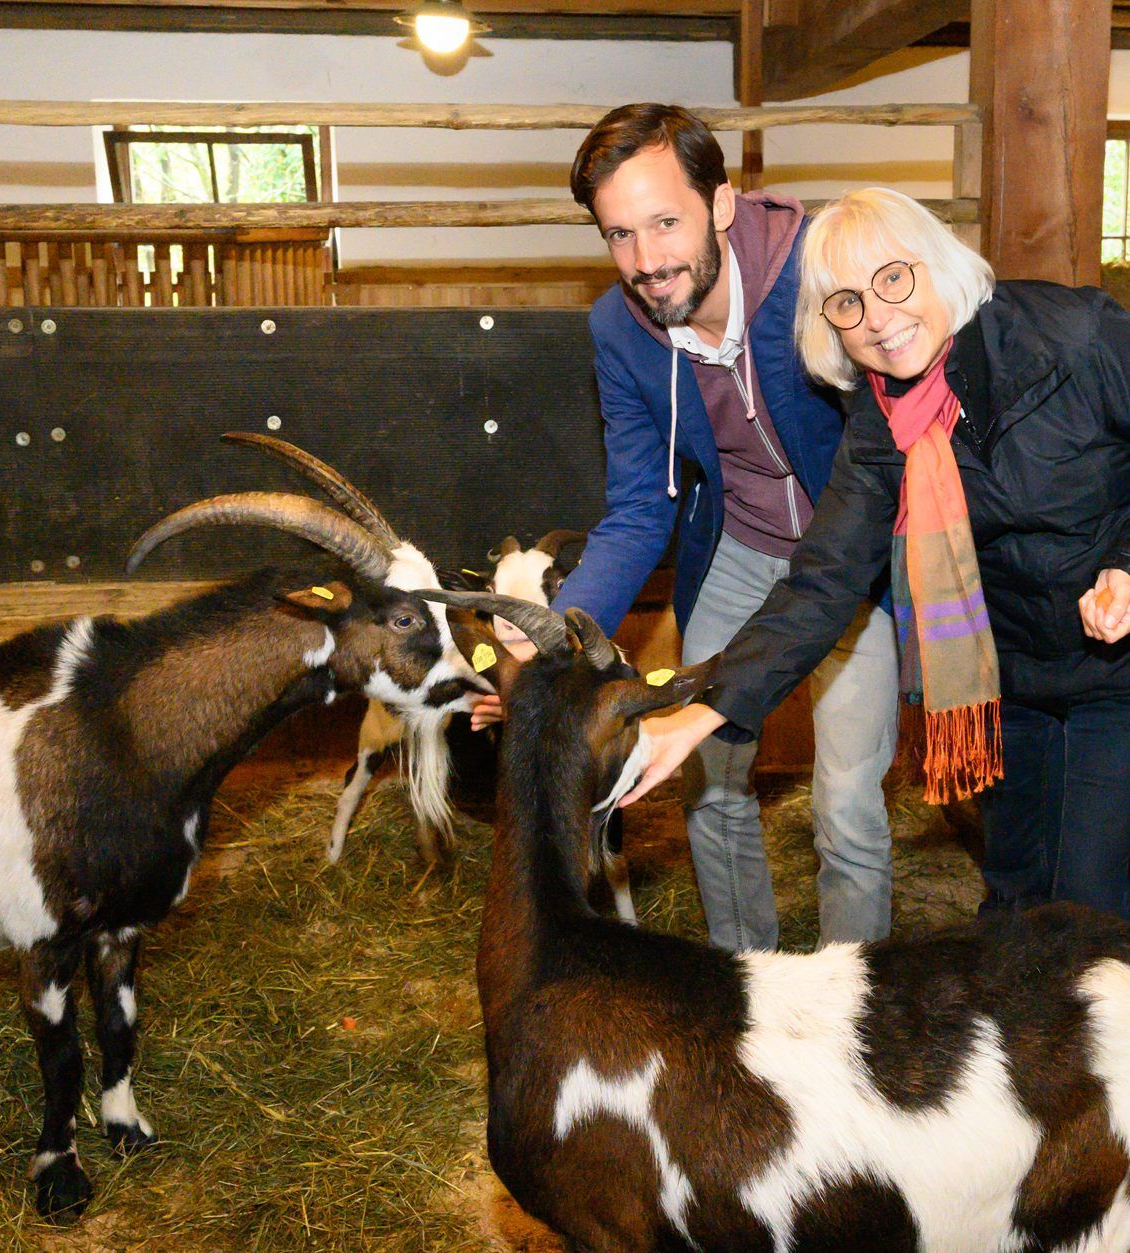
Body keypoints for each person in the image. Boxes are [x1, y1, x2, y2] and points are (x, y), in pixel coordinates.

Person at [624, 186, 1130, 922]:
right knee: (1016, 896)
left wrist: (1124, 558)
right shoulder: (880, 424)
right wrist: (702, 709)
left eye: (893, 278)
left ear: (936, 264)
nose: (878, 319)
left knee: (1089, 908)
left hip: (1115, 671)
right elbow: (820, 583)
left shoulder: (1074, 337)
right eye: (846, 302)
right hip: (1008, 674)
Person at [482, 103, 901, 952]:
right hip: (742, 552)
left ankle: (857, 1006)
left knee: (846, 805)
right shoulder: (617, 329)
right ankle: (744, 991)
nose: (645, 260)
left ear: (720, 203)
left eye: (664, 222)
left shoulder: (820, 273)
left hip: (851, 567)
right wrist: (554, 637)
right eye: (619, 236)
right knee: (703, 778)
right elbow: (641, 507)